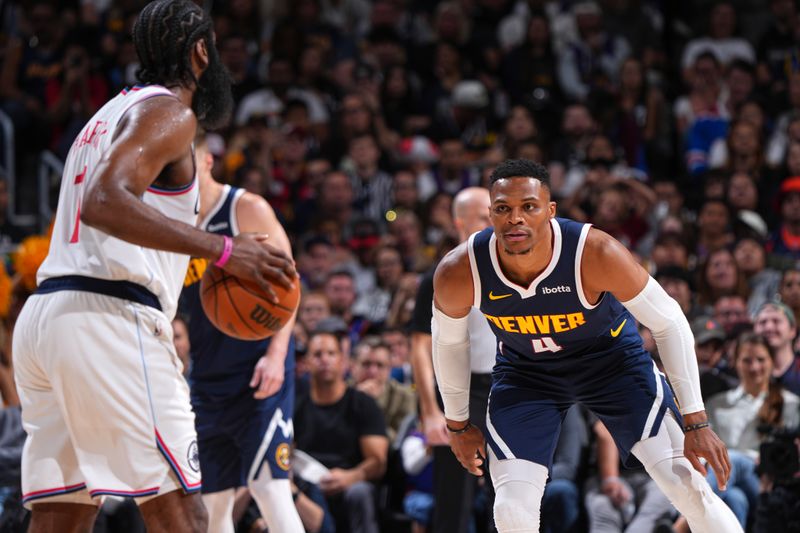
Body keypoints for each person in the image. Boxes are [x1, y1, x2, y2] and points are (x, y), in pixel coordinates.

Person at [11, 1, 296, 532]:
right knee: (184, 509)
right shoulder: (170, 113)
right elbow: (104, 201)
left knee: (60, 513)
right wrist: (225, 250)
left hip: (48, 320)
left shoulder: (103, 117)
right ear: (201, 52)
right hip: (109, 320)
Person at [431, 159, 742, 532]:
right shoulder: (459, 269)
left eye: (528, 207)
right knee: (511, 511)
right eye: (503, 209)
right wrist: (457, 424)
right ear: (491, 214)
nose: (515, 218)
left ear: (550, 211)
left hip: (612, 364)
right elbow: (448, 343)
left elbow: (670, 321)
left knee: (687, 488)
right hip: (527, 373)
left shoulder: (593, 252)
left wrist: (696, 420)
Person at [179, 135, 304, 532]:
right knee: (212, 503)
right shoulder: (173, 225)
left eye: (186, 161)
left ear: (207, 160)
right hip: (207, 373)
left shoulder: (245, 208)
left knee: (270, 489)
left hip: (258, 368)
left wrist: (276, 356)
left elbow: (289, 285)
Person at [410, 186, 496, 533]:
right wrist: (430, 412)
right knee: (453, 496)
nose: (494, 223)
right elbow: (419, 345)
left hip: (508, 385)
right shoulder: (440, 274)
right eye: (484, 217)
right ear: (459, 223)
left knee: (511, 491)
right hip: (460, 390)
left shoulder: (515, 268)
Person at [294, 329, 389, 533]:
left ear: (343, 361)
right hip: (308, 485)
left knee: (360, 492)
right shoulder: (296, 406)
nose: (324, 359)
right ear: (307, 362)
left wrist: (351, 476)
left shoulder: (363, 404)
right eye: (317, 354)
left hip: (349, 483)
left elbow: (378, 462)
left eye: (331, 353)